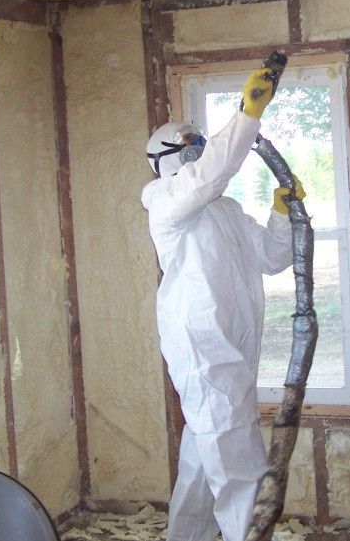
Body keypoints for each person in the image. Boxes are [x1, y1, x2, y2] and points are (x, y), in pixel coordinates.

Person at [142, 67, 304, 541]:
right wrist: (247, 115)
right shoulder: (167, 199)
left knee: (203, 453)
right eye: (191, 148)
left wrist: (281, 214)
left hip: (233, 347)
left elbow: (272, 259)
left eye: (202, 144)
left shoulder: (226, 211)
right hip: (204, 351)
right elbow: (207, 176)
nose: (200, 154)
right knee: (240, 468)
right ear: (168, 161)